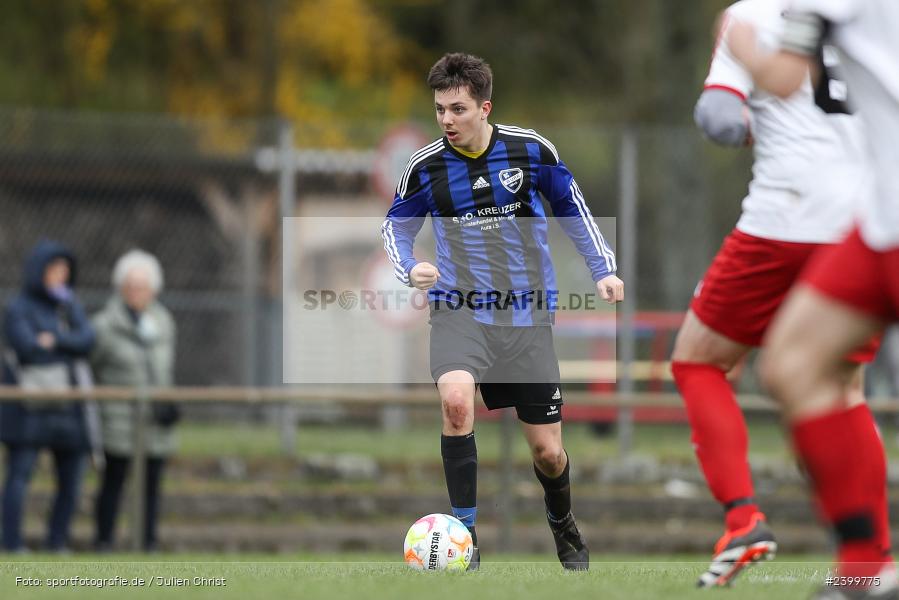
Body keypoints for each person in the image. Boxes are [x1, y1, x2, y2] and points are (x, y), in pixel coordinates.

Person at [669, 0, 887, 587]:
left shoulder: (757, 13)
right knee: (840, 391)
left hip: (784, 219)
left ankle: (743, 518)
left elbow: (720, 116)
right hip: (866, 222)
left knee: (698, 361)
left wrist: (743, 68)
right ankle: (870, 558)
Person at [381, 52, 623, 571]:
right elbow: (396, 227)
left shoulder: (531, 152)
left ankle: (563, 524)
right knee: (456, 403)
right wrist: (410, 267)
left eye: (458, 109)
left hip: (525, 317)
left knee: (547, 454)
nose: (447, 120)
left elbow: (573, 211)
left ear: (484, 107)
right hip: (458, 310)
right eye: (440, 109)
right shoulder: (425, 167)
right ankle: (465, 542)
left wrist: (602, 268)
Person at [726, 1, 899, 597]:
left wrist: (741, 42)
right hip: (879, 218)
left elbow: (784, 76)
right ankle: (864, 568)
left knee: (794, 365)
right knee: (793, 362)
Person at [1, 240, 96, 552]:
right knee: (20, 477)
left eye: (64, 270)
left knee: (71, 480)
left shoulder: (69, 305)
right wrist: (64, 345)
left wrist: (53, 338)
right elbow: (27, 348)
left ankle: (57, 542)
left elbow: (87, 340)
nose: (60, 276)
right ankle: (12, 543)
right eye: (54, 269)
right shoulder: (19, 307)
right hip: (29, 408)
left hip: (68, 408)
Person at [90, 250, 177, 551]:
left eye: (143, 286)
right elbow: (93, 368)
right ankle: (104, 541)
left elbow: (165, 368)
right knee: (113, 483)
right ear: (121, 288)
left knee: (151, 487)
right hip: (118, 420)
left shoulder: (163, 322)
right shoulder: (103, 325)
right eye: (132, 286)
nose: (137, 293)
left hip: (154, 420)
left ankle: (147, 542)